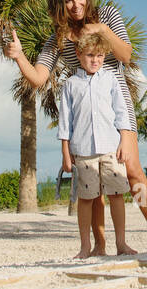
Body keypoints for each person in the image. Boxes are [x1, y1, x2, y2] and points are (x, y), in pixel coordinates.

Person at [5, 0, 147, 251]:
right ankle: (101, 243)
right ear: (59, 5)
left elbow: (126, 55)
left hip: (115, 100)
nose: (76, 5)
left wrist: (102, 30)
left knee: (131, 170)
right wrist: (19, 56)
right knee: (94, 179)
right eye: (68, 0)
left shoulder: (107, 14)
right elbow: (38, 78)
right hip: (85, 110)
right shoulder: (57, 38)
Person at [58, 32, 136, 257]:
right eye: (91, 55)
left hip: (111, 147)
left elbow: (121, 112)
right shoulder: (70, 85)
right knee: (87, 199)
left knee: (117, 195)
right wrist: (66, 152)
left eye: (100, 56)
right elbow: (65, 122)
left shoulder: (111, 79)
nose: (95, 60)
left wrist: (124, 140)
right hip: (83, 151)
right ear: (79, 54)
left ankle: (121, 244)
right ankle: (85, 246)